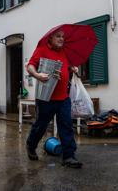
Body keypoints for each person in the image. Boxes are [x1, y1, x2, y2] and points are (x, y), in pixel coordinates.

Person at [26, 30, 83, 168]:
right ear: (50, 38)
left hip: (63, 97)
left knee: (66, 125)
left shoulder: (64, 52)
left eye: (63, 36)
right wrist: (37, 75)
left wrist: (73, 69)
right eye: (58, 36)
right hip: (46, 98)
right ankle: (31, 145)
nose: (61, 39)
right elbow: (30, 66)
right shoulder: (41, 50)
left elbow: (66, 68)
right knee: (41, 125)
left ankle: (69, 156)